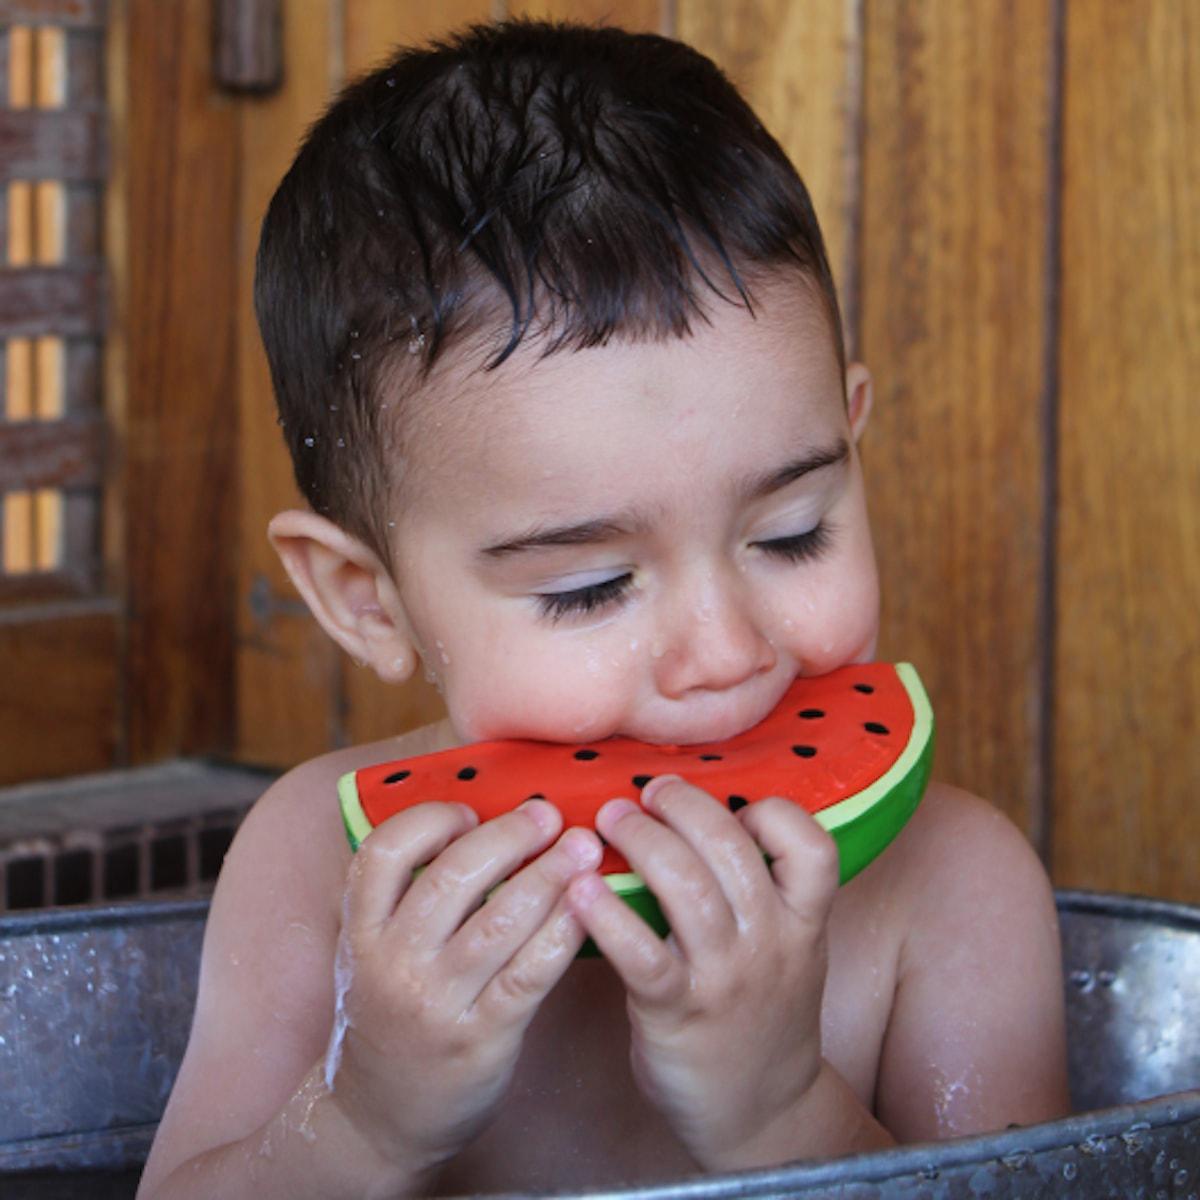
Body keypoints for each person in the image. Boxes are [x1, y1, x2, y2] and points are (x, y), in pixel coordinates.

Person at [137, 20, 1069, 1199]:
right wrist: (361, 1125)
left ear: (852, 441)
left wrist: (783, 1111)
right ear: (365, 601)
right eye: (588, 588)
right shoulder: (313, 858)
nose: (726, 654)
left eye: (793, 534)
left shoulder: (958, 891)